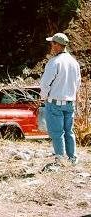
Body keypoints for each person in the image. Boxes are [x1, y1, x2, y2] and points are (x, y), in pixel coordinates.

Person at [40, 32, 81, 165]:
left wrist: (44, 97)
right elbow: (78, 83)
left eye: (52, 43)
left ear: (57, 45)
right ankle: (72, 158)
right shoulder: (74, 63)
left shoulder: (54, 62)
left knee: (57, 132)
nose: (51, 45)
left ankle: (60, 159)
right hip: (70, 102)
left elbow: (45, 84)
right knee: (69, 131)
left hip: (55, 102)